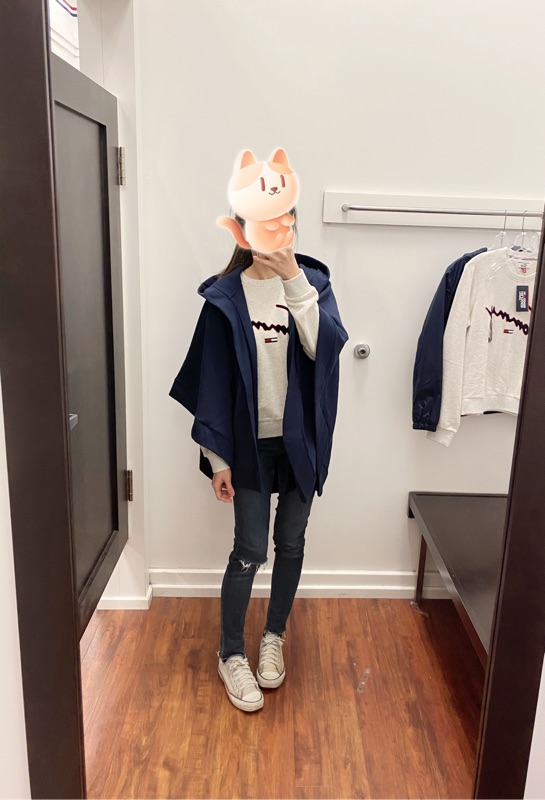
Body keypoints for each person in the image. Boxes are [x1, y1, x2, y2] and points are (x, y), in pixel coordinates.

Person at [169, 211, 348, 712]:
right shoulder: (225, 297)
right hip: (249, 444)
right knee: (249, 549)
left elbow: (324, 350)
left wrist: (293, 279)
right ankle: (230, 653)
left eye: (283, 223)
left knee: (290, 543)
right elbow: (210, 383)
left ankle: (273, 636)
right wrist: (217, 458)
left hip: (299, 442)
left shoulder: (312, 285)